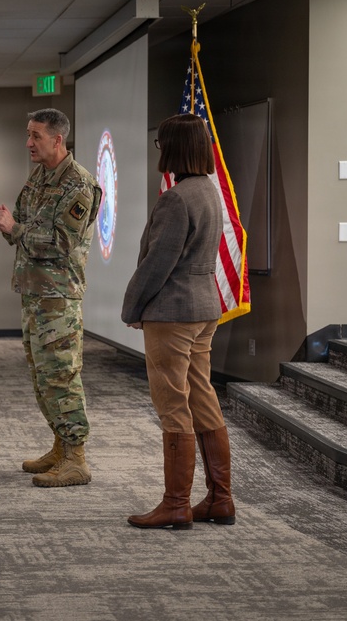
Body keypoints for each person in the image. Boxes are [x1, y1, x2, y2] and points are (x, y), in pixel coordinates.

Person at [122, 113, 234, 529]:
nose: (159, 151)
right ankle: (220, 499)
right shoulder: (209, 191)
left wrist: (133, 308)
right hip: (204, 309)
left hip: (172, 313)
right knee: (202, 397)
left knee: (173, 405)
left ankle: (176, 504)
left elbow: (158, 264)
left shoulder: (176, 198)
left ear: (173, 148)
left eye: (161, 144)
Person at [0, 108, 101, 488]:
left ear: (57, 139)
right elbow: (23, 223)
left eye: (35, 136)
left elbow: (61, 243)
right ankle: (60, 444)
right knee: (42, 377)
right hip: (35, 293)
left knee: (62, 377)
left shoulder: (79, 185)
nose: (28, 143)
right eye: (28, 134)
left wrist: (15, 227)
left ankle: (76, 458)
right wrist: (10, 226)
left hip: (58, 298)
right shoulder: (40, 177)